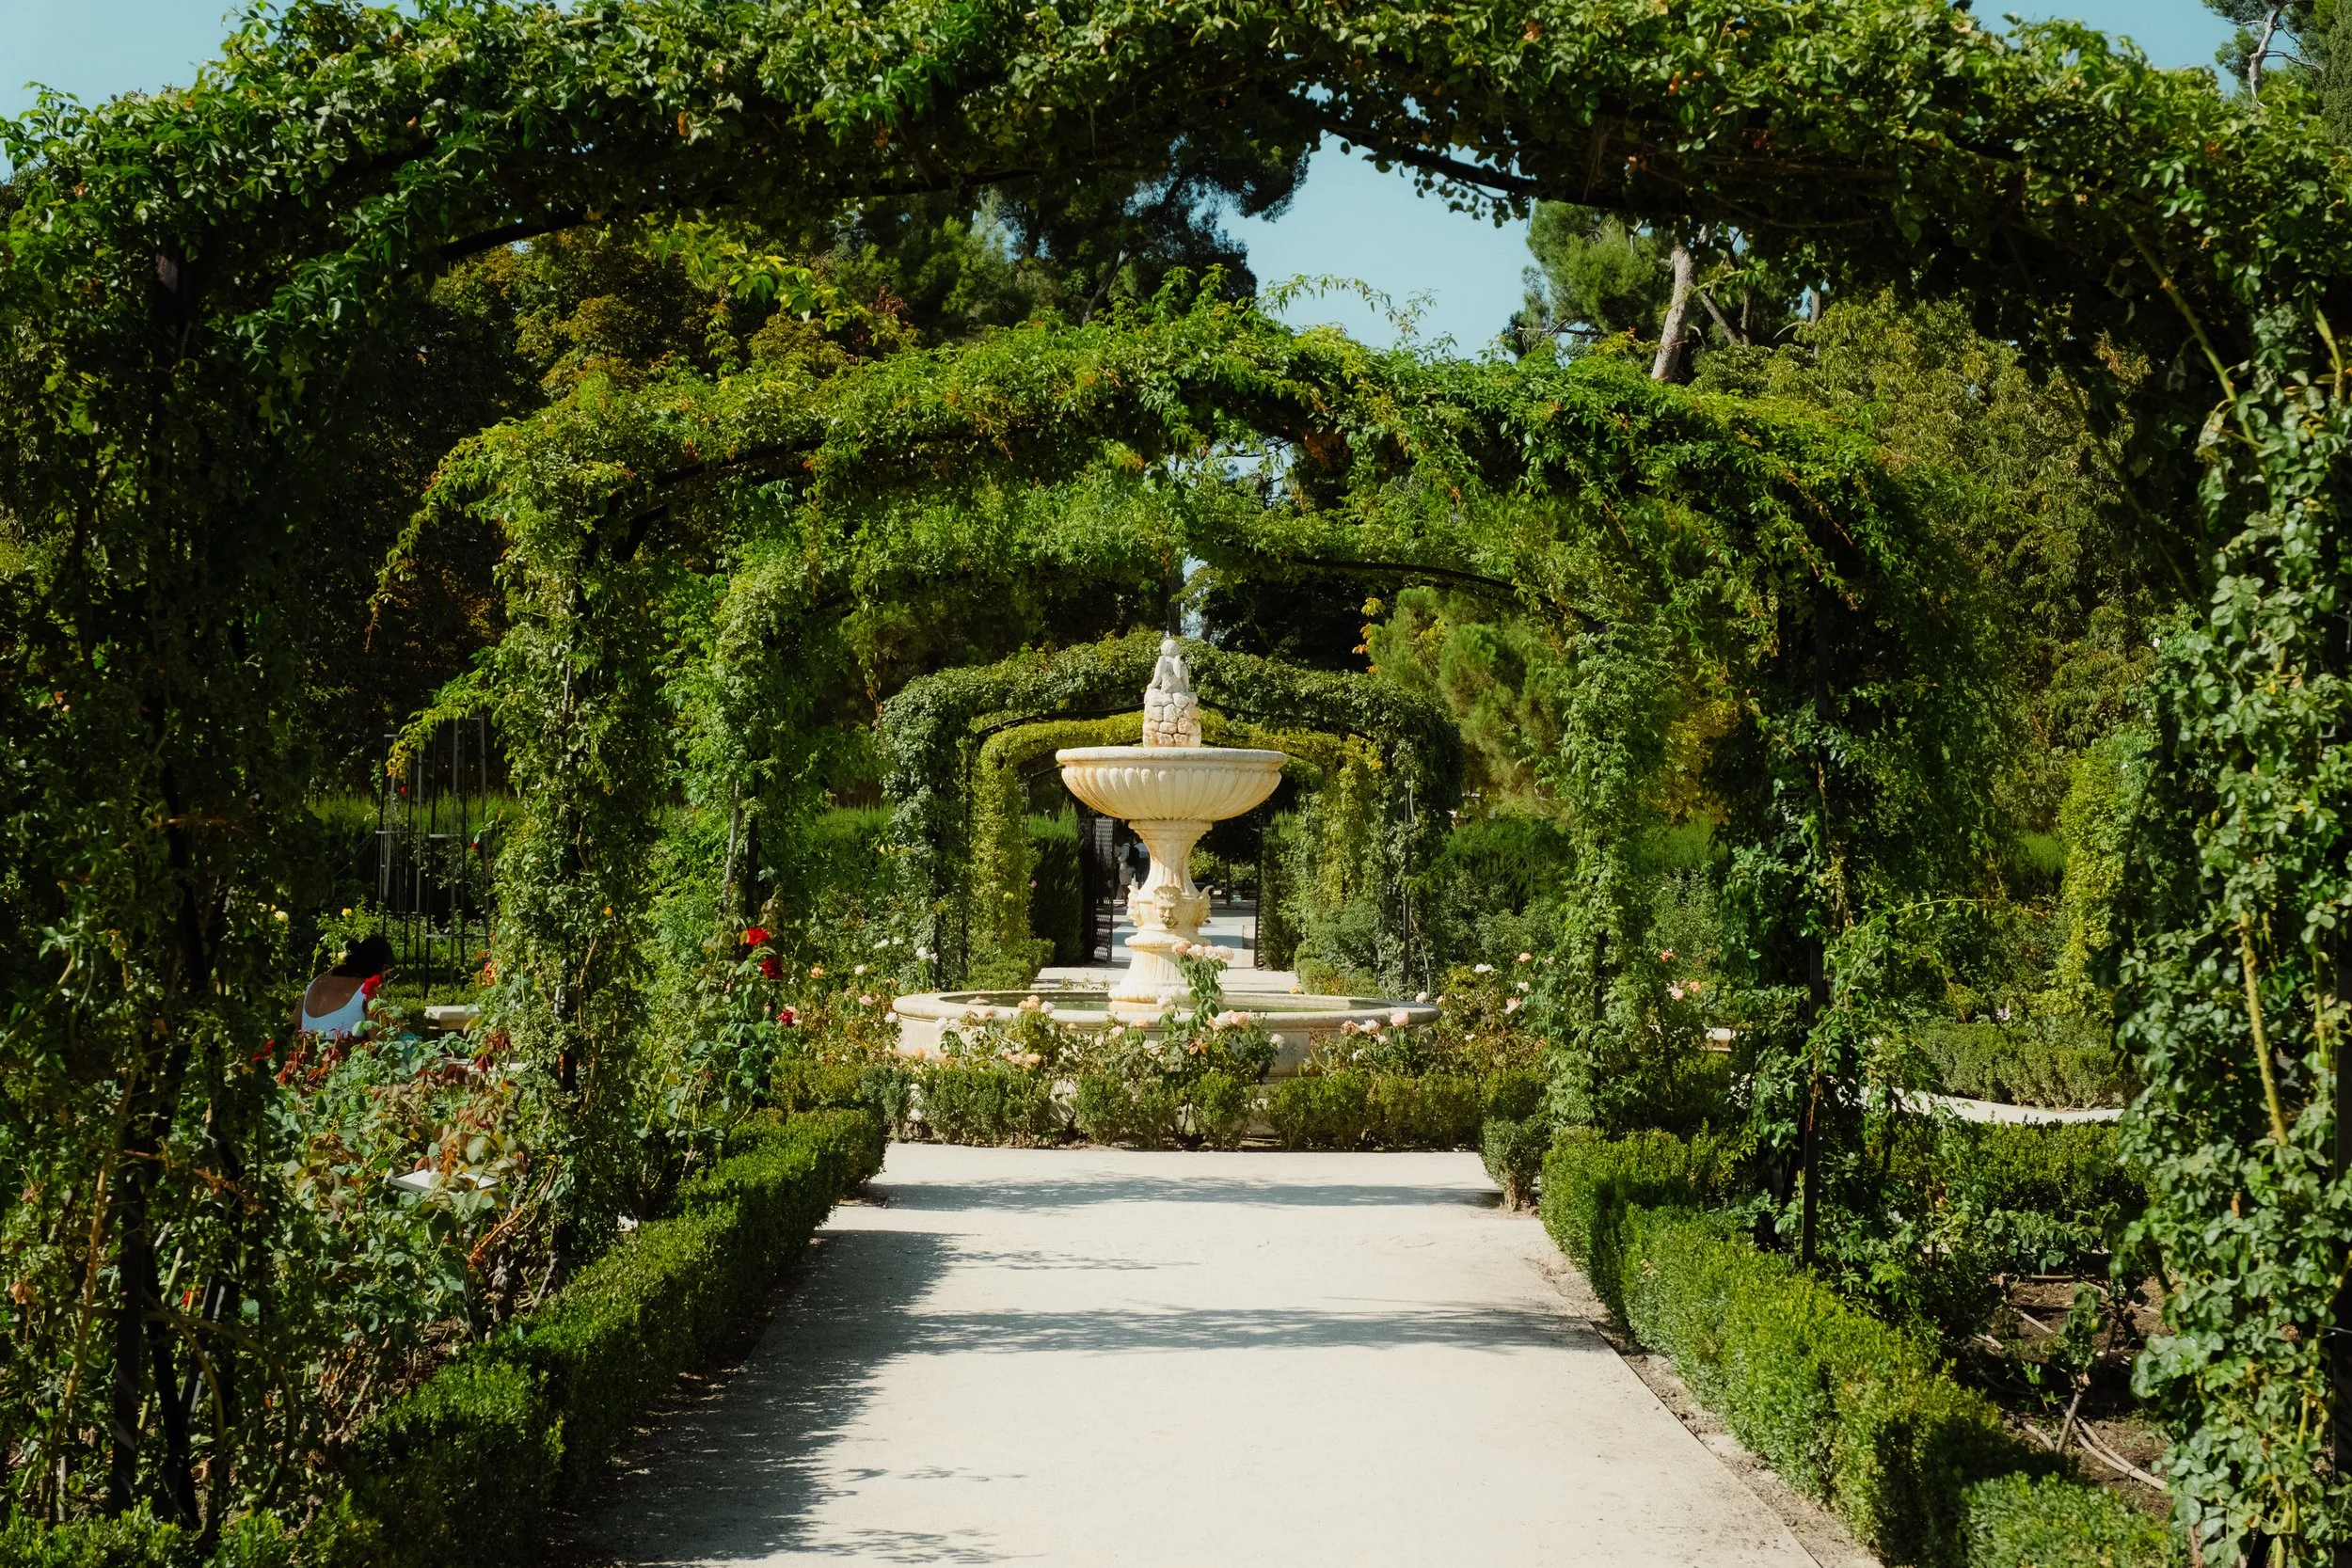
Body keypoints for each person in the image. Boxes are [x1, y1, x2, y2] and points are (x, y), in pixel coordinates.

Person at [294, 934, 394, 1039]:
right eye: (388, 974)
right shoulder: (368, 991)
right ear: (384, 968)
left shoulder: (316, 982)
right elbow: (378, 1041)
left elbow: (292, 1026)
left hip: (307, 1049)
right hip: (343, 1049)